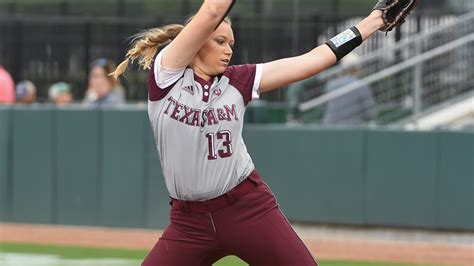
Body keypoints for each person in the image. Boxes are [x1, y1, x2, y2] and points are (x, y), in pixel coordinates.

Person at [111, 1, 386, 265]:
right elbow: (212, 10)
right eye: (219, 41)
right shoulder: (167, 76)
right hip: (189, 223)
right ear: (196, 41)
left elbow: (311, 61)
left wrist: (373, 22)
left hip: (247, 208)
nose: (228, 50)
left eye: (231, 44)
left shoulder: (239, 80)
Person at [323, 53, 376, 125]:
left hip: (330, 126)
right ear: (358, 68)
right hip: (354, 128)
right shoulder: (361, 86)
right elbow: (370, 113)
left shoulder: (331, 85)